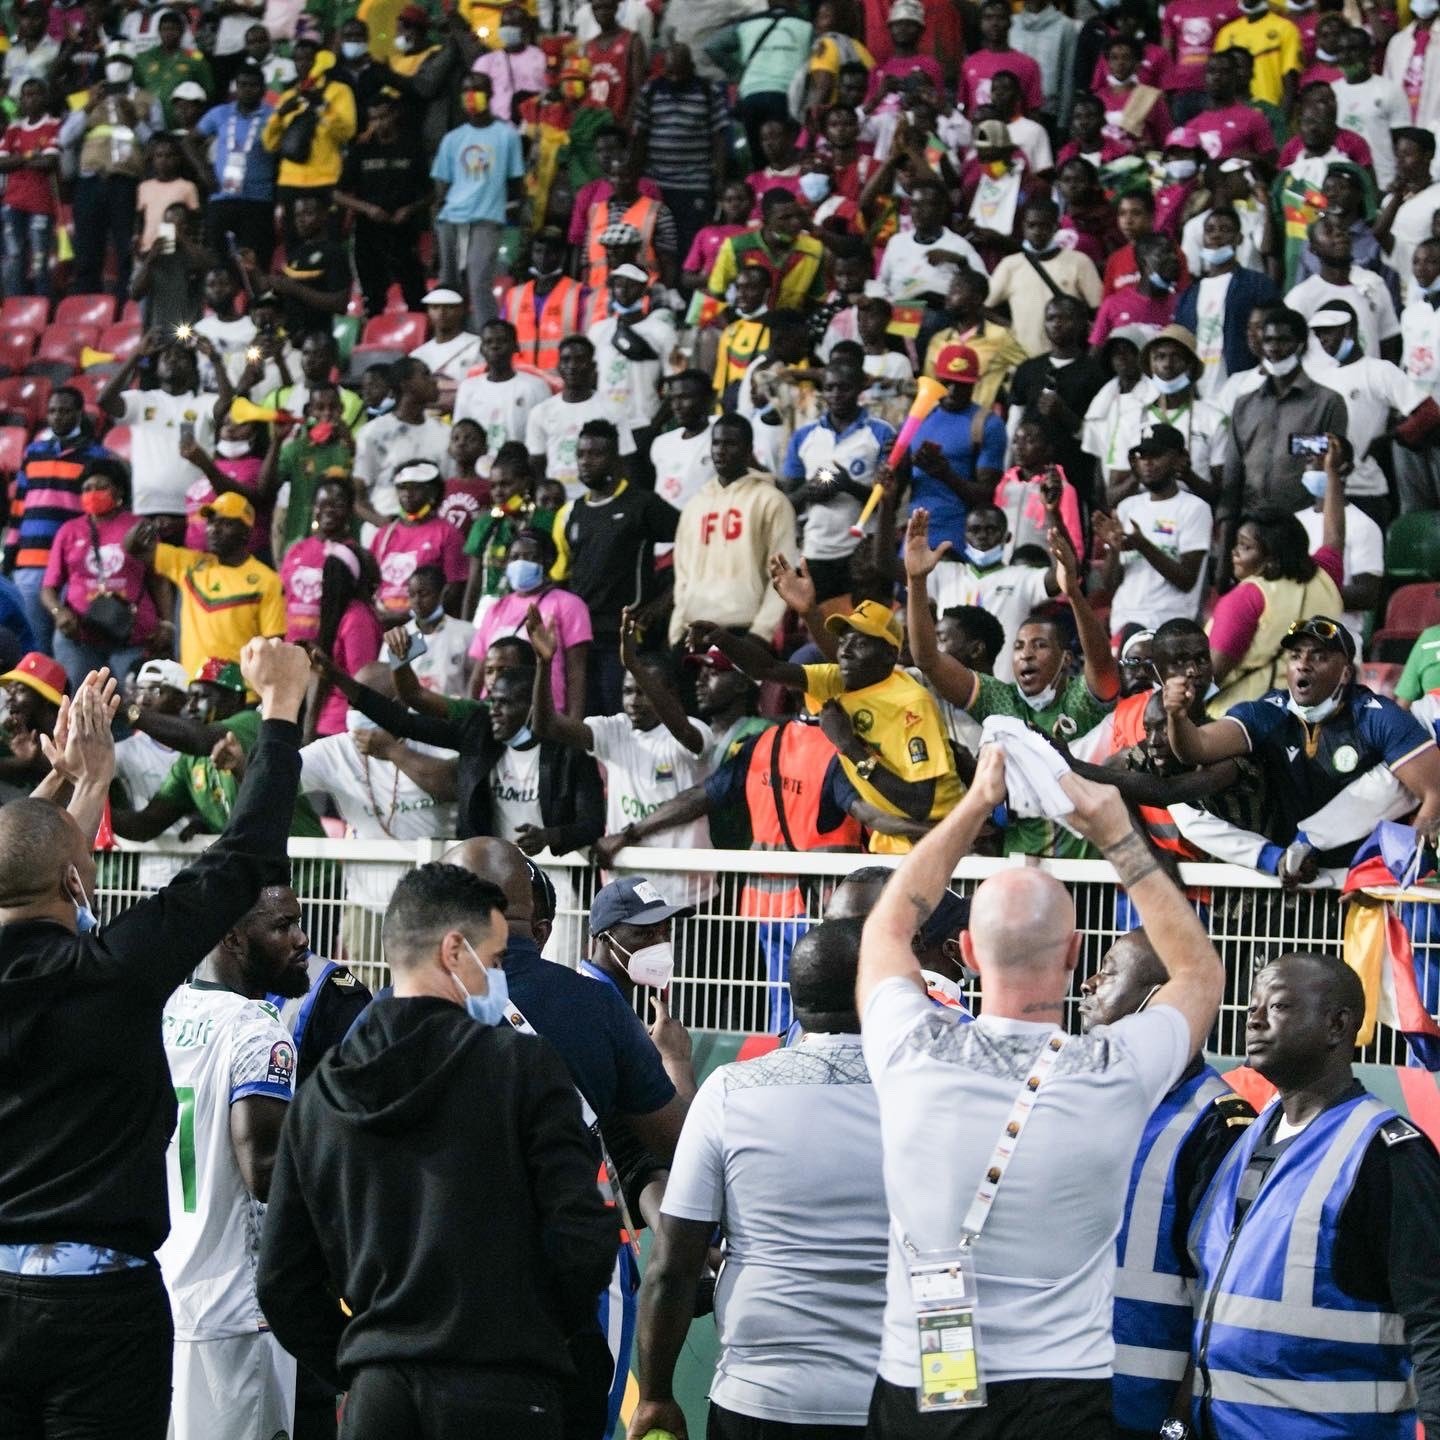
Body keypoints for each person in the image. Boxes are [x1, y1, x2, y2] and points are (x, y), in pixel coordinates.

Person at [856, 749, 1225, 1439]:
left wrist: (973, 807)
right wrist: (1116, 833)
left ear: (964, 951)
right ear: (1075, 952)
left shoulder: (910, 1051)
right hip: (1063, 1398)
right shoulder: (1116, 1070)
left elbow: (888, 927)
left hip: (921, 1386)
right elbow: (1199, 974)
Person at [0, 639, 310, 1440]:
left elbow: (25, 861)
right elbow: (243, 859)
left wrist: (80, 781)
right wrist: (279, 711)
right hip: (104, 1307)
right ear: (78, 881)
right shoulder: (117, 969)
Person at [256, 862, 617, 1440]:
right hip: (508, 1392)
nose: (498, 978)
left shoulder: (323, 1090)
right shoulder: (523, 1066)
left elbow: (281, 1281)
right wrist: (535, 1334)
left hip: (379, 1400)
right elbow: (584, 1237)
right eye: (495, 960)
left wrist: (362, 1360)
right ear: (455, 951)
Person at [631, 915, 890, 1440]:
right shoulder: (934, 1094)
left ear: (795, 1000)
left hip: (758, 1400)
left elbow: (672, 1268)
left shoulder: (731, 1090)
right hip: (896, 1402)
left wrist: (656, 1394)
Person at [1188, 952, 1440, 1440]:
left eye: (1278, 1006)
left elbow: (1433, 1320)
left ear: (1337, 1025)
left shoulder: (1388, 1155)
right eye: (1253, 1004)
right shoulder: (1246, 1138)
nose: (1254, 1017)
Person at [1078, 930, 1256, 1440]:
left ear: (1163, 998)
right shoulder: (1068, 1093)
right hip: (1057, 1394)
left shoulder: (1216, 1122)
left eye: (1109, 971)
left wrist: (1178, 1420)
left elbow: (1222, 1291)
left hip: (1142, 1409)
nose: (1089, 983)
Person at [159, 884, 309, 1440]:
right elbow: (266, 1173)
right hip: (234, 1318)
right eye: (282, 926)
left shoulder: (166, 1009)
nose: (301, 939)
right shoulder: (257, 1031)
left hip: (164, 1296)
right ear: (232, 937)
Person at [690, 599, 962, 851]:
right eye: (844, 640)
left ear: (889, 655)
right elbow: (768, 669)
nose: (845, 650)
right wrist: (722, 638)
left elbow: (920, 804)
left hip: (939, 841)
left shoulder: (912, 704)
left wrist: (848, 745)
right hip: (892, 845)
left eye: (860, 642)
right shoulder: (837, 680)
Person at [528, 606, 714, 908]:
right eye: (628, 691)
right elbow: (546, 725)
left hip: (683, 894)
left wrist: (635, 665)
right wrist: (543, 663)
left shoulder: (694, 731)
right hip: (625, 889)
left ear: (671, 693)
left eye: (644, 692)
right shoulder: (615, 730)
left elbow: (683, 732)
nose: (633, 701)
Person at [552, 420, 677, 714]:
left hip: (623, 636)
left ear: (615, 460)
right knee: (585, 722)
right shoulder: (570, 513)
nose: (585, 462)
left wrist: (664, 601)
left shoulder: (642, 504)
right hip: (578, 639)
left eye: (595, 454)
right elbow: (559, 578)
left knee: (620, 717)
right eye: (581, 454)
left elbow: (692, 541)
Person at [668, 413, 798, 648]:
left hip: (745, 631)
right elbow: (683, 577)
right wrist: (676, 631)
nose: (720, 450)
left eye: (730, 444)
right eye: (716, 443)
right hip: (693, 630)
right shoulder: (695, 505)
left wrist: (761, 633)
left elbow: (783, 574)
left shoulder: (771, 501)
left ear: (749, 450)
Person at [132, 492, 287, 677]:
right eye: (212, 522)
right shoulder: (191, 563)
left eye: (225, 523)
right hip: (193, 689)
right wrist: (147, 525)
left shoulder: (267, 580)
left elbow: (273, 645)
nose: (214, 529)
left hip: (241, 693)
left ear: (246, 532)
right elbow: (133, 548)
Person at [41, 457, 161, 689]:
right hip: (79, 635)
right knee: (81, 700)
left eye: (100, 487)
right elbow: (48, 588)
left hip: (132, 633)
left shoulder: (140, 527)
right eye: (86, 488)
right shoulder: (69, 531)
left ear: (119, 491)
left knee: (130, 704)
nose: (92, 492)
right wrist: (59, 612)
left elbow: (159, 581)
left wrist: (165, 624)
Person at [1092, 427, 1212, 640]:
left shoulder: (1195, 508)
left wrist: (1142, 544)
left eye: (1156, 455)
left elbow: (1186, 580)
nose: (1147, 462)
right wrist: (1114, 548)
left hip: (1170, 625)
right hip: (1124, 620)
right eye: (1142, 456)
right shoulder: (1127, 507)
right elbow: (1110, 584)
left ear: (1178, 459)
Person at [432, 71, 524, 332]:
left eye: (478, 90)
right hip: (451, 218)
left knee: (479, 282)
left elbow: (515, 182)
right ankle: (450, 336)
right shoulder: (452, 138)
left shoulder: (507, 136)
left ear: (491, 94)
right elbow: (441, 184)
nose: (471, 96)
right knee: (448, 283)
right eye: (466, 90)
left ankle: (489, 337)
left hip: (487, 218)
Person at [467, 526, 590, 718]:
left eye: (529, 557)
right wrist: (470, 714)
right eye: (514, 557)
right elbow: (478, 673)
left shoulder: (569, 605)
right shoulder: (495, 609)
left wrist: (573, 725)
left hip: (544, 713)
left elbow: (577, 673)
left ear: (547, 562)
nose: (520, 563)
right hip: (494, 711)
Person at [332, 85, 428, 317]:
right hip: (369, 231)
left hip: (403, 231)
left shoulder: (411, 146)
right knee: (373, 298)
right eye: (373, 118)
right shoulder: (361, 150)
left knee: (415, 293)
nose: (378, 123)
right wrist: (367, 208)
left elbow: (430, 191)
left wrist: (410, 209)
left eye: (383, 116)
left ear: (394, 114)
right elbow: (337, 193)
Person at [525, 336, 638, 496]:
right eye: (566, 360)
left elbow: (625, 462)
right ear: (558, 366)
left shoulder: (613, 409)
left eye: (579, 360)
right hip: (556, 502)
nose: (572, 366)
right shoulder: (540, 412)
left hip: (599, 499)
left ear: (592, 366)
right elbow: (537, 464)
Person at [352, 358, 450, 527]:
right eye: (425, 375)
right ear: (406, 384)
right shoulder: (373, 433)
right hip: (384, 529)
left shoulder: (445, 433)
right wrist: (386, 527)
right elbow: (357, 498)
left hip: (430, 533)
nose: (434, 381)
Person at [455, 319, 555, 456]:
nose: (495, 346)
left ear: (516, 346)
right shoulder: (468, 388)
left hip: (522, 468)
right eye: (488, 342)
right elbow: (461, 432)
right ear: (481, 349)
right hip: (479, 468)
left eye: (501, 341)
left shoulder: (536, 386)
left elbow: (546, 435)